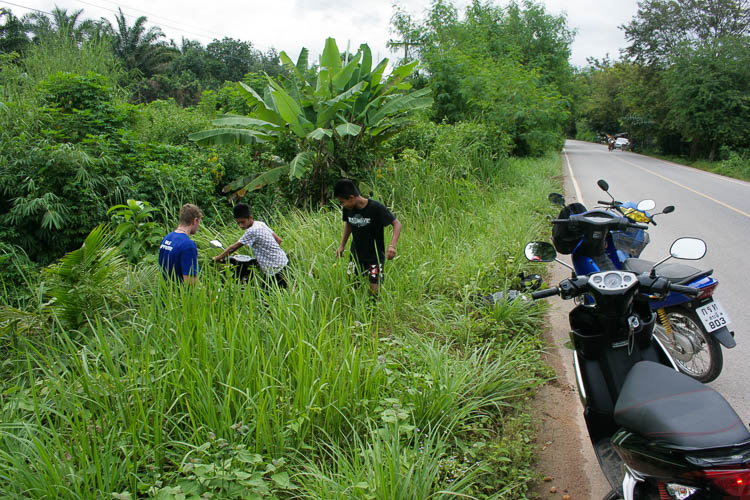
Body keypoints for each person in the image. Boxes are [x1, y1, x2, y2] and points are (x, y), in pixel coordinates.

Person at [334, 178, 402, 294]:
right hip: (355, 254)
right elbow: (349, 224)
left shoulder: (376, 208)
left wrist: (392, 246)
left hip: (374, 256)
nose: (342, 205)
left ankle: (375, 310)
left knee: (375, 287)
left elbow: (397, 224)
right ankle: (356, 309)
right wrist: (342, 245)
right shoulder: (348, 208)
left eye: (342, 202)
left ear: (351, 198)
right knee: (352, 285)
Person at [212, 203, 289, 288]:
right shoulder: (260, 224)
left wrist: (218, 258)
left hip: (274, 269)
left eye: (243, 222)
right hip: (283, 262)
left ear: (250, 218)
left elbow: (233, 248)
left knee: (265, 297)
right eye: (238, 223)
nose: (241, 225)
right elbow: (278, 240)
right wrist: (264, 257)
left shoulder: (252, 231)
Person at [159, 203, 202, 284]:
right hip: (180, 295)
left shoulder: (167, 238)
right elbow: (190, 282)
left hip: (164, 293)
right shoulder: (188, 245)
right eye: (199, 222)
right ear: (195, 220)